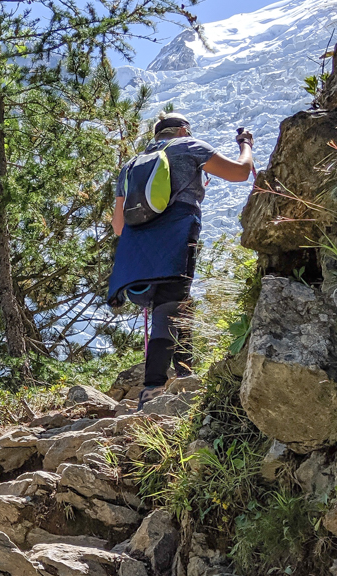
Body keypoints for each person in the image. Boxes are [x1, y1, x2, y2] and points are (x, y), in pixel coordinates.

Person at [107, 112, 255, 406]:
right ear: (184, 130)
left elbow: (118, 225)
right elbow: (240, 172)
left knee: (179, 308)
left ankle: (186, 376)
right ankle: (151, 391)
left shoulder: (131, 165)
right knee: (170, 309)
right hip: (177, 236)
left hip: (137, 249)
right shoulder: (190, 147)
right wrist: (246, 144)